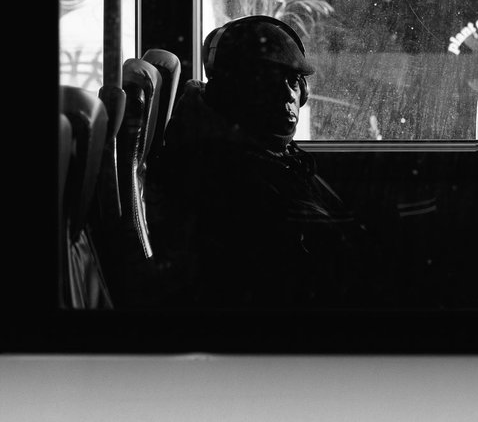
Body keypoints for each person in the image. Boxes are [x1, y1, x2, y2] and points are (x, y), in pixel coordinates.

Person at [154, 15, 377, 308]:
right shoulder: (224, 173)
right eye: (271, 81)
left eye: (294, 81)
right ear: (233, 92)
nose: (288, 95)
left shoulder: (268, 151)